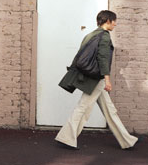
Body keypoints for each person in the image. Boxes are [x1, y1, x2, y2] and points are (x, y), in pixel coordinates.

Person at [56, 10, 139, 150]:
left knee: (109, 110)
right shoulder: (104, 37)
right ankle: (66, 137)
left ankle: (127, 140)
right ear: (108, 21)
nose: (115, 24)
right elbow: (103, 59)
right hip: (97, 78)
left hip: (91, 77)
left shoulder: (91, 35)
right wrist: (107, 79)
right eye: (114, 21)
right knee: (83, 107)